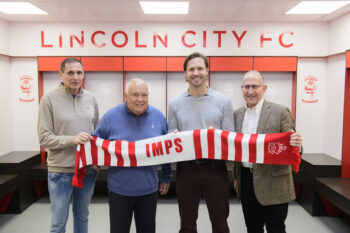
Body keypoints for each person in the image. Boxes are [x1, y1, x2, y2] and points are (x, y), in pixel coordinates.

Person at [93, 78, 171, 233]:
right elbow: (95, 144)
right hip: (119, 191)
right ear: (126, 95)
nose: (140, 100)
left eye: (144, 95)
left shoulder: (159, 117)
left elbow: (166, 151)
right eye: (135, 95)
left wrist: (166, 177)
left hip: (149, 189)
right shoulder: (110, 117)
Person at [168, 52, 235, 233]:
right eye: (191, 69)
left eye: (200, 68)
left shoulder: (224, 101)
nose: (196, 73)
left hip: (216, 168)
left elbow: (230, 137)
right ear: (185, 74)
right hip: (186, 169)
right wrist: (173, 136)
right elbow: (171, 135)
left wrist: (218, 137)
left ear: (207, 71)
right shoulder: (174, 104)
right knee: (187, 225)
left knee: (220, 223)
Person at [233, 70, 303, 233]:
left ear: (264, 88)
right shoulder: (236, 114)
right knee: (252, 228)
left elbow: (292, 140)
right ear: (242, 88)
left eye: (255, 86)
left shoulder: (280, 111)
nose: (250, 91)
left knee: (276, 228)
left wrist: (297, 143)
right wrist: (236, 177)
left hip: (274, 181)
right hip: (246, 179)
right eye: (247, 86)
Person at [37, 57, 99, 233]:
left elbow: (96, 133)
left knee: (82, 217)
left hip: (86, 170)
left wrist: (96, 162)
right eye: (70, 72)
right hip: (60, 172)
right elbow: (44, 138)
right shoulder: (48, 99)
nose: (75, 77)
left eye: (79, 72)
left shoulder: (91, 99)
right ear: (61, 74)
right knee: (58, 223)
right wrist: (71, 139)